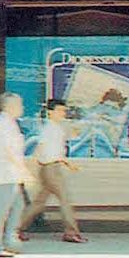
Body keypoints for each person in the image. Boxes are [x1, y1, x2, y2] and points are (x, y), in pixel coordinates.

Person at [19, 99, 88, 244]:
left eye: (64, 110)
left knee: (38, 202)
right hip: (51, 169)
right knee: (64, 200)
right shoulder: (49, 129)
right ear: (50, 112)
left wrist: (67, 164)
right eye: (60, 110)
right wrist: (33, 167)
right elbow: (41, 148)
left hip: (50, 168)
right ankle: (71, 232)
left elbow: (57, 150)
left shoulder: (56, 127)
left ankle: (15, 229)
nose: (63, 113)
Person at [0, 92, 34, 258]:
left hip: (12, 175)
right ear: (10, 106)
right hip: (6, 174)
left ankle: (9, 240)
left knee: (18, 206)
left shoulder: (9, 123)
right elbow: (9, 151)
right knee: (2, 211)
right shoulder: (2, 124)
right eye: (19, 105)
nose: (22, 108)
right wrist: (24, 171)